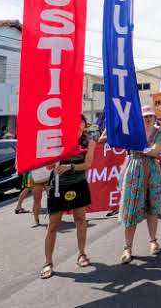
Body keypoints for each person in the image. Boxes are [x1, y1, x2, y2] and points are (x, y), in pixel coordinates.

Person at [41, 115, 96, 279]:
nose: (78, 128)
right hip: (58, 187)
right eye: (75, 124)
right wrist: (55, 159)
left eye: (81, 125)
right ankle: (48, 262)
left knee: (80, 220)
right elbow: (48, 166)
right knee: (53, 224)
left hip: (78, 185)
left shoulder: (89, 142)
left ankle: (82, 254)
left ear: (84, 126)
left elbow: (87, 164)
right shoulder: (57, 142)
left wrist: (69, 167)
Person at [118, 108, 161, 263]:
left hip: (152, 172)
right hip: (134, 172)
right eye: (144, 116)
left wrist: (139, 147)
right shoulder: (132, 131)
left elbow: (155, 152)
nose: (147, 119)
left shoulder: (160, 133)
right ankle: (127, 248)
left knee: (152, 208)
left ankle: (153, 241)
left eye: (150, 116)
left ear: (154, 117)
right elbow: (112, 139)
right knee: (130, 209)